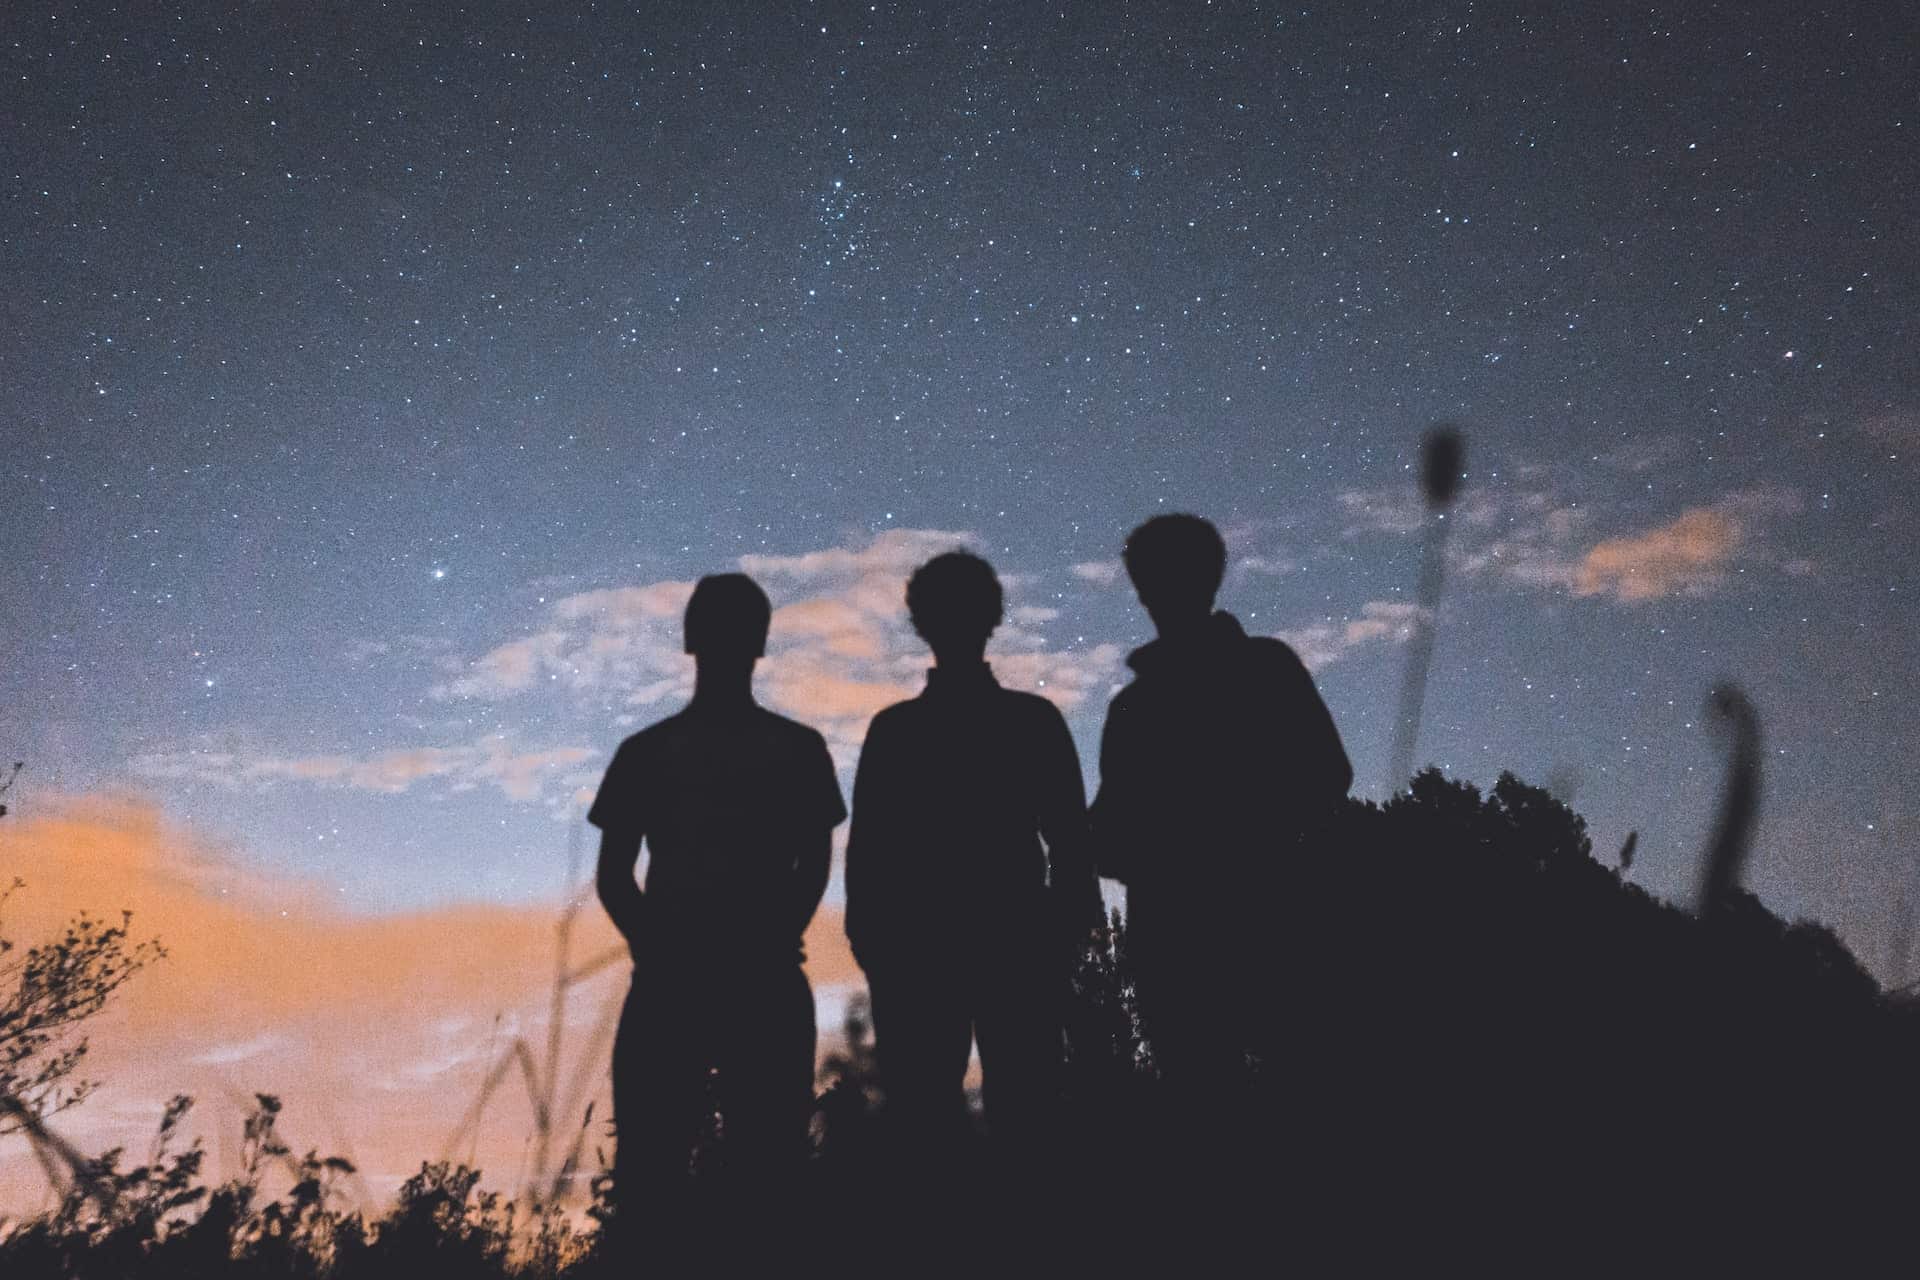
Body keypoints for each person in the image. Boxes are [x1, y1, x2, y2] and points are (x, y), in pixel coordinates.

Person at [588, 573, 845, 1228]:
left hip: (738, 981)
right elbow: (614, 874)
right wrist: (658, 947)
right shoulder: (654, 752)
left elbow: (814, 864)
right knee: (684, 1175)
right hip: (699, 982)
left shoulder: (790, 749)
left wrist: (667, 946)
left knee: (750, 1175)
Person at [845, 551, 1101, 1160]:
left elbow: (1070, 843)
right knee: (969, 1117)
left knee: (991, 1116)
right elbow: (869, 856)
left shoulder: (904, 731)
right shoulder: (1022, 722)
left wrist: (1060, 938)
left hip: (984, 949)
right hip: (948, 952)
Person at [1089, 514, 1351, 1106]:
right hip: (1208, 934)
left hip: (1250, 924)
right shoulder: (1141, 704)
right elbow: (1327, 777)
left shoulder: (1151, 703)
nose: (1150, 593)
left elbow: (1326, 776)